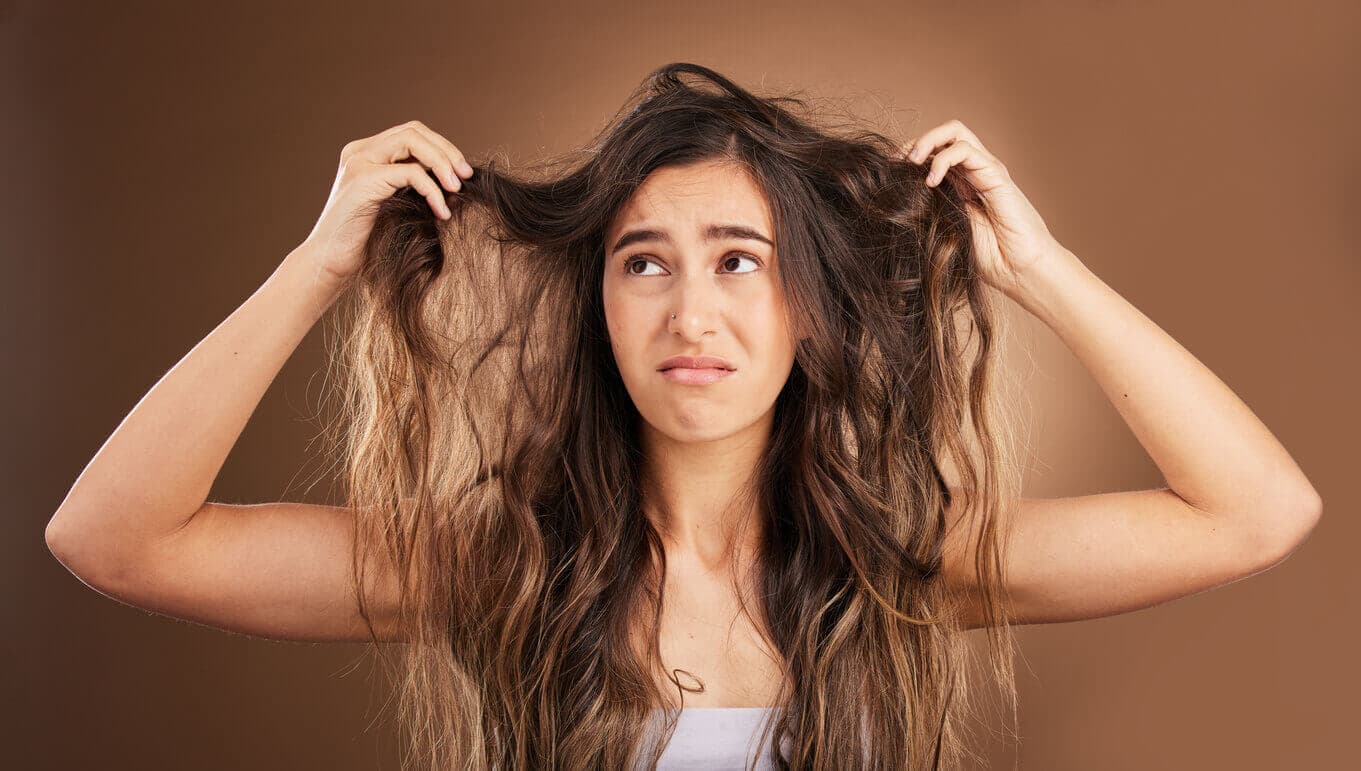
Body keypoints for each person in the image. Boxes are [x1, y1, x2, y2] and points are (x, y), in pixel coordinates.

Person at [45, 62, 1321, 770]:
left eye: (739, 260)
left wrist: (1034, 268)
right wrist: (318, 263)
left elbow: (1255, 512)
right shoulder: (502, 569)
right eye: (643, 262)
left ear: (808, 310)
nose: (688, 312)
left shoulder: (894, 567)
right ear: (599, 304)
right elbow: (116, 541)